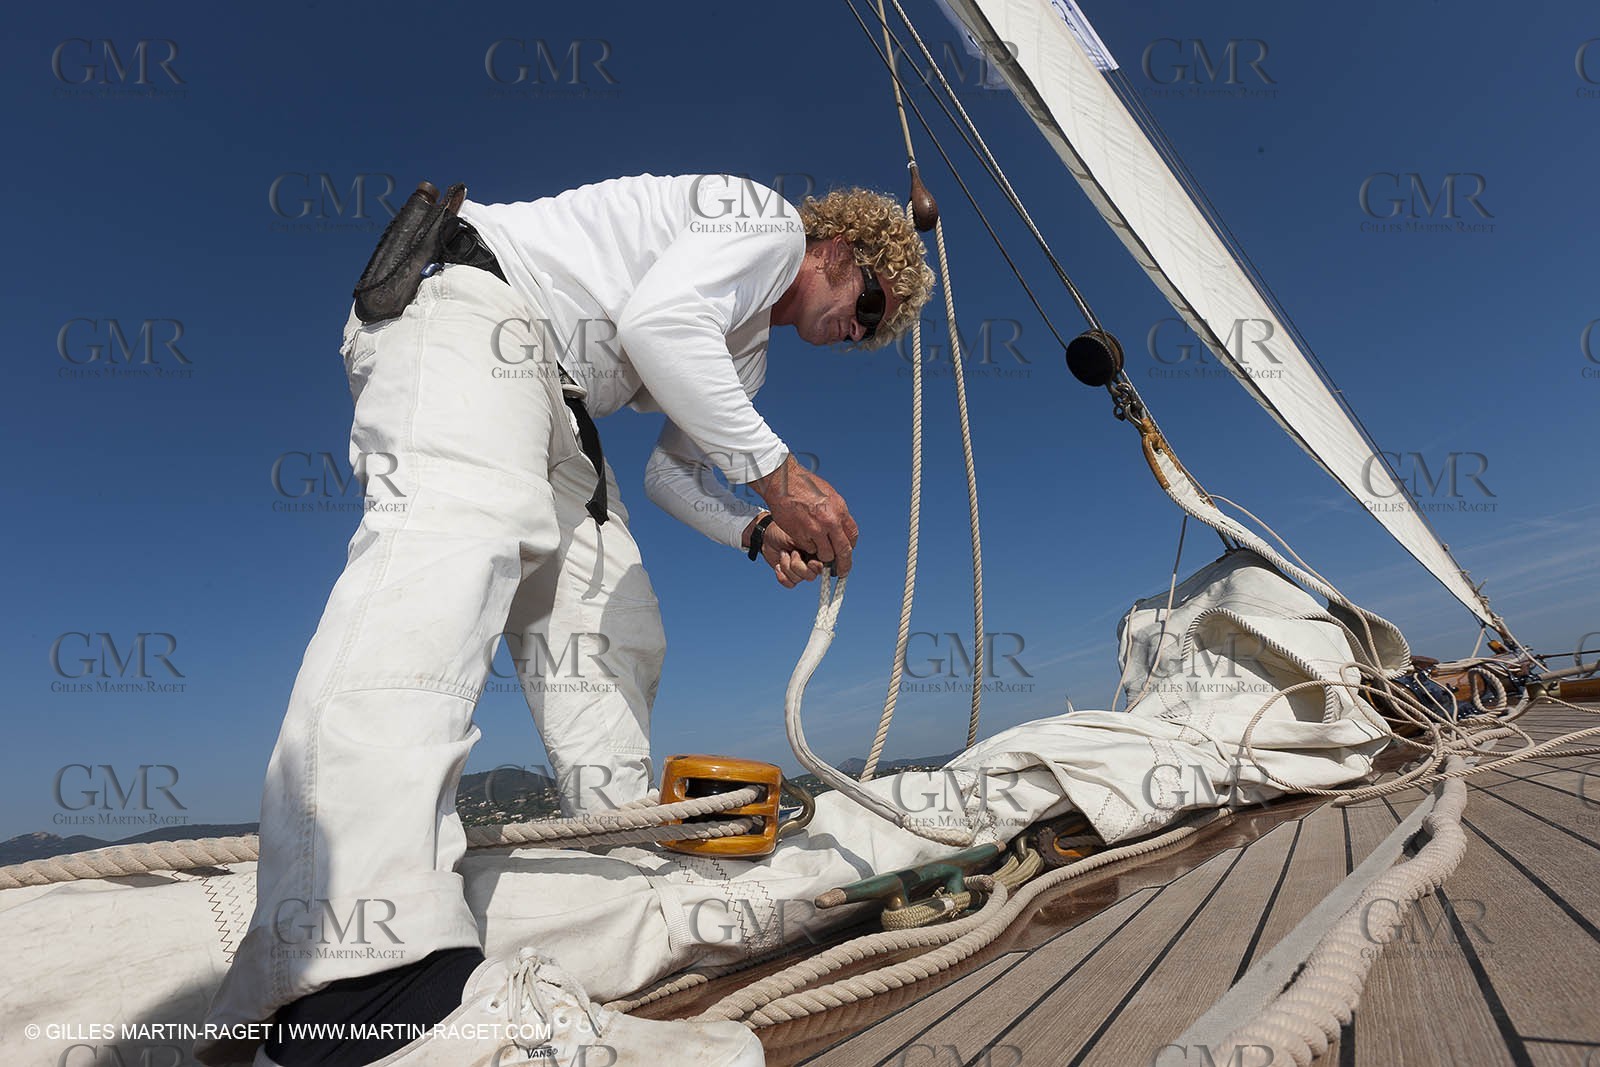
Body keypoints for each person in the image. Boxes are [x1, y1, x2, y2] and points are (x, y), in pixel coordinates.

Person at [199, 174, 935, 1067]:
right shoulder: (769, 226)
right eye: (869, 304)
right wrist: (780, 477)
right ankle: (354, 983)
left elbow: (671, 475)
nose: (858, 331)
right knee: (454, 548)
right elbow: (659, 324)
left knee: (614, 617)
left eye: (870, 332)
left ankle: (620, 883)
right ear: (842, 250)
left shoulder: (747, 357)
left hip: (562, 404)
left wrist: (754, 524)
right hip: (478, 307)